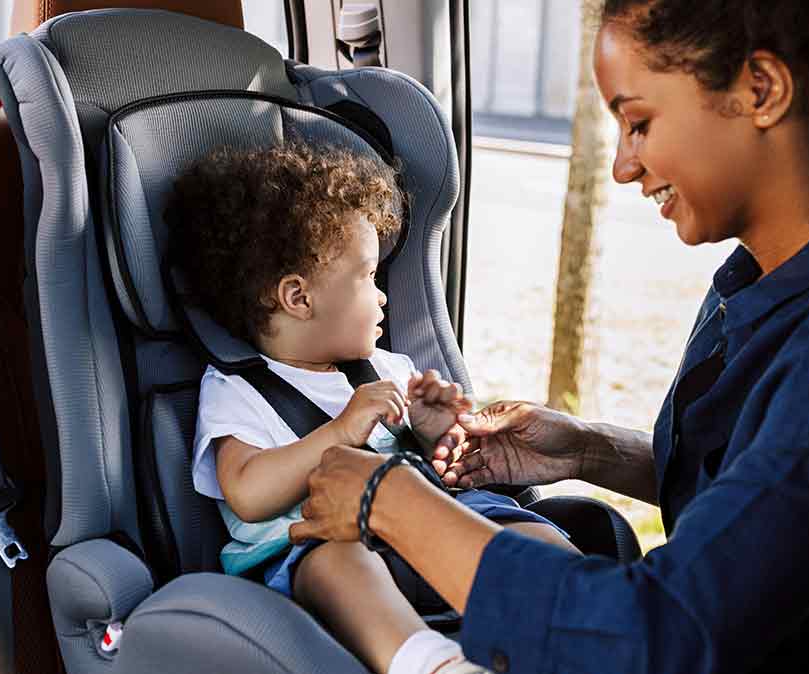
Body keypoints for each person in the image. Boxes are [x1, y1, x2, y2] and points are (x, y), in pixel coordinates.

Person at [289, 2, 809, 672]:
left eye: (640, 123)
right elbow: (776, 504)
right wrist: (589, 449)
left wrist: (391, 499)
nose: (624, 165)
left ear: (761, 89)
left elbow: (661, 637)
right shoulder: (781, 278)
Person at [165, 142, 576, 674]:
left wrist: (435, 431)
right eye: (367, 277)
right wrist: (340, 430)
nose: (383, 296)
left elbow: (438, 469)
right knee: (336, 568)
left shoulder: (387, 367)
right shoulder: (237, 389)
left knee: (523, 531)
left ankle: (585, 624)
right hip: (321, 544)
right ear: (298, 297)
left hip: (425, 524)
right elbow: (245, 492)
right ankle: (430, 663)